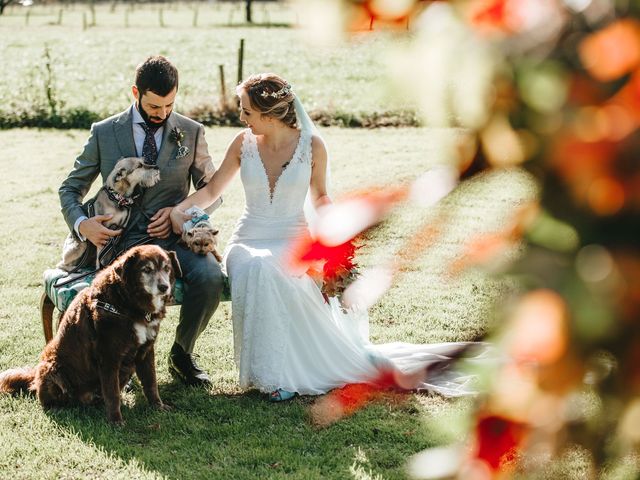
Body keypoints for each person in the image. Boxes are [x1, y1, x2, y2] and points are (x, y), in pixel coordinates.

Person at [170, 73, 479, 401]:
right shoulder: (242, 143)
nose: (241, 117)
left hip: (292, 236)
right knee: (255, 265)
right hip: (248, 237)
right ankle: (269, 376)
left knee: (275, 268)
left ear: (269, 113)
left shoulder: (312, 146)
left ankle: (288, 374)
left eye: (247, 111)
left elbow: (320, 198)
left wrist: (336, 234)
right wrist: (179, 210)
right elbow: (214, 189)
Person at [59, 55, 225, 387]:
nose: (162, 114)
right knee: (118, 296)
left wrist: (178, 210)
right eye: (154, 105)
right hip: (118, 246)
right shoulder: (104, 132)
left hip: (173, 242)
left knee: (209, 277)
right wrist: (83, 225)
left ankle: (182, 354)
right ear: (136, 92)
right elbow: (71, 188)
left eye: (169, 105)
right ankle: (122, 360)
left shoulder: (191, 132)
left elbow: (213, 190)